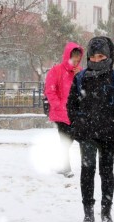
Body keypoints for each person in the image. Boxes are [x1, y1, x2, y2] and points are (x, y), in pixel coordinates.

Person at [67, 36, 114, 222]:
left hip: (108, 134)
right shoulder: (80, 78)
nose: (96, 59)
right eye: (93, 56)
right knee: (87, 172)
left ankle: (106, 211)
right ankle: (88, 212)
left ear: (109, 56)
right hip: (86, 135)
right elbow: (71, 105)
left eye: (101, 55)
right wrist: (78, 123)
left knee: (106, 172)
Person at [45, 42, 83, 178]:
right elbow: (50, 90)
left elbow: (85, 91)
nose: (76, 61)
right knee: (65, 141)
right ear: (68, 56)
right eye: (74, 58)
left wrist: (80, 76)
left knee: (76, 140)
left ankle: (67, 166)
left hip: (77, 114)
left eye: (78, 59)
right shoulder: (56, 70)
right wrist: (58, 106)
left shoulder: (80, 72)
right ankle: (66, 168)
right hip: (62, 114)